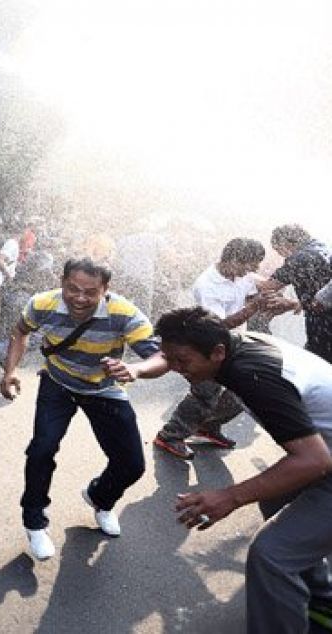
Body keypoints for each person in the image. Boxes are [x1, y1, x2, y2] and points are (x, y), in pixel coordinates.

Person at [154, 307, 332, 633]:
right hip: (324, 452)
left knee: (271, 555)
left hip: (322, 458)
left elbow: (314, 461)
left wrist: (230, 496)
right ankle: (322, 601)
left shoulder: (255, 374)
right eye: (170, 359)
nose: (176, 368)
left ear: (217, 352)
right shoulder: (238, 348)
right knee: (275, 499)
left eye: (182, 361)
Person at [0, 258, 167, 561]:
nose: (79, 298)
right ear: (61, 281)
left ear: (106, 290)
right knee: (41, 450)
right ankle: (34, 522)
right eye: (72, 289)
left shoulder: (123, 312)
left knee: (131, 465)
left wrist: (136, 369)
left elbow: (160, 357)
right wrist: (9, 371)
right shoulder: (41, 304)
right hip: (58, 383)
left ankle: (100, 498)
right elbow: (19, 332)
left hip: (104, 389)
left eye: (90, 292)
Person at [153, 238, 272, 460]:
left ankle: (207, 427)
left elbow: (264, 285)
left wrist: (273, 296)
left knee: (243, 392)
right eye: (249, 266)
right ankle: (170, 435)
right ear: (234, 260)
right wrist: (254, 306)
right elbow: (220, 326)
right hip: (206, 348)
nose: (251, 271)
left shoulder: (241, 274)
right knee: (204, 394)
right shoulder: (207, 284)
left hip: (234, 345)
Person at [258, 224, 332, 364]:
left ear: (286, 244)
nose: (281, 257)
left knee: (318, 364)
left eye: (279, 251)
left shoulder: (300, 259)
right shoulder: (320, 246)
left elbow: (268, 286)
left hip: (324, 327)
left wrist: (247, 276)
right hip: (323, 322)